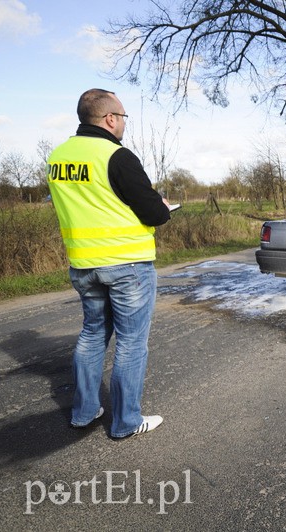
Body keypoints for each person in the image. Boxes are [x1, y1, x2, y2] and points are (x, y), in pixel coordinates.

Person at [47, 89, 172, 438]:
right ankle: (126, 423)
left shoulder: (58, 157)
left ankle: (85, 412)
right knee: (131, 343)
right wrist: (161, 205)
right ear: (110, 119)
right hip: (127, 264)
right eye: (123, 117)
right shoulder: (116, 156)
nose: (123, 124)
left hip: (83, 264)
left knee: (92, 334)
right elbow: (152, 212)